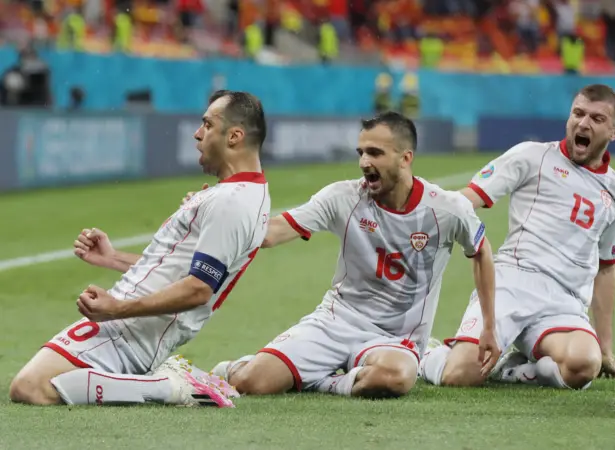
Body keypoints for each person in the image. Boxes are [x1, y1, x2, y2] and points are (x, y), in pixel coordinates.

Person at [204, 111, 500, 398]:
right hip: (336, 322)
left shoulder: (447, 209)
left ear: (405, 158)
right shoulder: (343, 197)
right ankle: (241, 368)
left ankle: (322, 380)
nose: (364, 162)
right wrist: (216, 212)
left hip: (396, 338)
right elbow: (271, 232)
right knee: (251, 383)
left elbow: (482, 251)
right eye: (361, 152)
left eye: (375, 153)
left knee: (394, 378)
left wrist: (488, 326)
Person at [9, 90, 271, 407]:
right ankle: (161, 379)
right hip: (134, 323)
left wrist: (116, 309)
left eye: (207, 124)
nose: (197, 133)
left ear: (235, 136)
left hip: (134, 330)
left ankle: (169, 385)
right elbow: (179, 266)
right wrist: (114, 258)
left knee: (30, 388)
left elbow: (199, 289)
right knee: (33, 383)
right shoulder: (239, 194)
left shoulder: (232, 201)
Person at [420, 84, 615, 390]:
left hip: (564, 302)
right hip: (511, 285)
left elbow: (607, 266)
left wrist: (607, 348)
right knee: (460, 374)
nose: (583, 124)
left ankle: (511, 370)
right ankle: (428, 354)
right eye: (578, 113)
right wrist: (422, 208)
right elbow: (470, 197)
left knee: (584, 364)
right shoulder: (533, 156)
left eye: (597, 119)